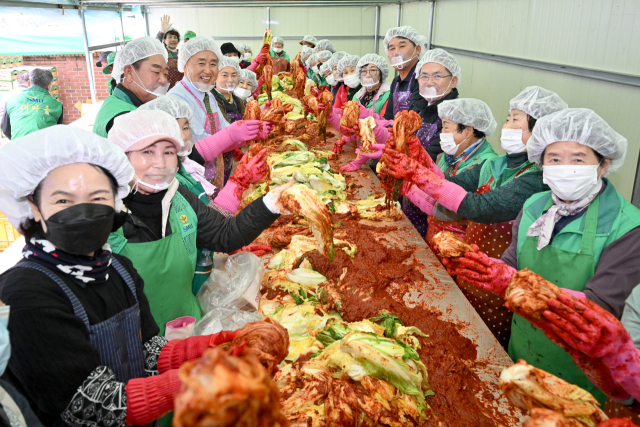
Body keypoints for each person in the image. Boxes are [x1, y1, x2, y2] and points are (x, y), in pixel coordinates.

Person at [0, 125, 260, 427]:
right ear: (33, 207)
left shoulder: (118, 269)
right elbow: (93, 405)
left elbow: (149, 352)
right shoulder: (24, 293)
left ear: (116, 201)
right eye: (63, 201)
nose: (83, 211)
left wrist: (221, 344)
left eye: (98, 198)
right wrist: (204, 376)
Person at [450, 108, 640, 403]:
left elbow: (600, 306)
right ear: (541, 163)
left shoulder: (627, 227)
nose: (565, 168)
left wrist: (513, 284)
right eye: (554, 159)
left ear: (603, 164)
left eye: (578, 159)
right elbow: (512, 263)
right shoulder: (535, 206)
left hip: (579, 375)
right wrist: (485, 270)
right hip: (522, 352)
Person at [107, 110, 288, 333]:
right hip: (133, 341)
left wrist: (270, 204)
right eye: (147, 152)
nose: (160, 163)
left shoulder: (179, 197)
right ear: (121, 157)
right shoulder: (106, 213)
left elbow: (225, 235)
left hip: (186, 328)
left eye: (169, 152)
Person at [137, 97, 269, 293]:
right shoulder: (162, 185)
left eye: (185, 128)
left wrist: (230, 246)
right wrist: (239, 183)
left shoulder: (181, 170)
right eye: (173, 128)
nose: (181, 136)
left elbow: (207, 223)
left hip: (203, 266)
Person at [167, 36, 270, 191]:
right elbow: (197, 145)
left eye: (213, 64)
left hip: (216, 176)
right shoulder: (176, 99)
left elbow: (224, 128)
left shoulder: (207, 94)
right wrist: (232, 134)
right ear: (185, 64)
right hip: (192, 184)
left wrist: (251, 131)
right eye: (201, 63)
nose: (208, 70)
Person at [93, 36, 169, 138]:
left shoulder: (119, 101)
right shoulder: (125, 119)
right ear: (129, 73)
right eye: (156, 72)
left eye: (165, 74)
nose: (163, 80)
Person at [2, 69, 62, 140]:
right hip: (44, 147)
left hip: (18, 147)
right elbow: (57, 130)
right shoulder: (57, 105)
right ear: (49, 86)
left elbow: (5, 129)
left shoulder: (12, 100)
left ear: (29, 83)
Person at [212, 57, 245, 183]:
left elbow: (245, 123)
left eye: (234, 75)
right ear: (215, 76)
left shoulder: (238, 101)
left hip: (232, 154)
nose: (230, 80)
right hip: (216, 157)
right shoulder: (211, 99)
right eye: (225, 75)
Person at [382, 26, 426, 121]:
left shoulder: (423, 78)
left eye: (402, 46)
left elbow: (412, 119)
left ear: (417, 49)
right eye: (392, 48)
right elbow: (388, 117)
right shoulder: (396, 81)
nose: (396, 52)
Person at [155, 16, 182, 90]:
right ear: (164, 40)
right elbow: (155, 44)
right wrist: (161, 32)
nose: (173, 40)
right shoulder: (162, 52)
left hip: (180, 87)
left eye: (175, 37)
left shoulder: (181, 53)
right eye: (170, 37)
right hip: (165, 87)